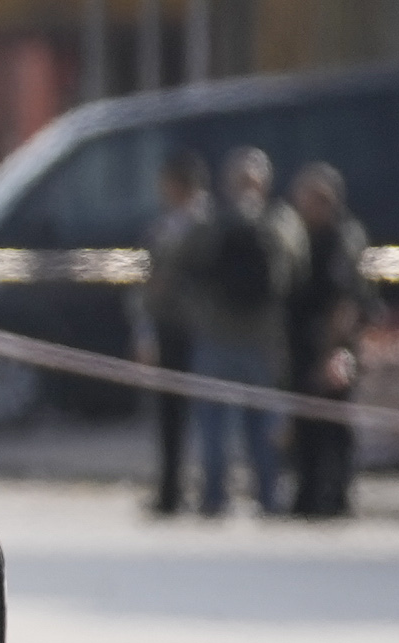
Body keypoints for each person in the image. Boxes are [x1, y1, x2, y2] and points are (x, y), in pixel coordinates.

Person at [166, 148, 297, 515]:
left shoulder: (220, 222)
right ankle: (233, 497)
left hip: (247, 338)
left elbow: (182, 268)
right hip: (231, 336)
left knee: (249, 426)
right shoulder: (277, 222)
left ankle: (248, 496)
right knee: (223, 426)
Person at [281, 163, 371, 520]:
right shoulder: (297, 237)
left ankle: (335, 495)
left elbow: (344, 303)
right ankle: (308, 494)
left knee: (333, 423)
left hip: (332, 347)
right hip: (301, 344)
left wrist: (331, 354)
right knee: (305, 424)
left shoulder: (340, 239)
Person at [139, 150, 208, 516]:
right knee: (169, 415)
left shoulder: (207, 225)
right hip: (169, 329)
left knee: (204, 415)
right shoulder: (163, 227)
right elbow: (148, 286)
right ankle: (169, 491)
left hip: (199, 329)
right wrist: (146, 331)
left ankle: (208, 489)